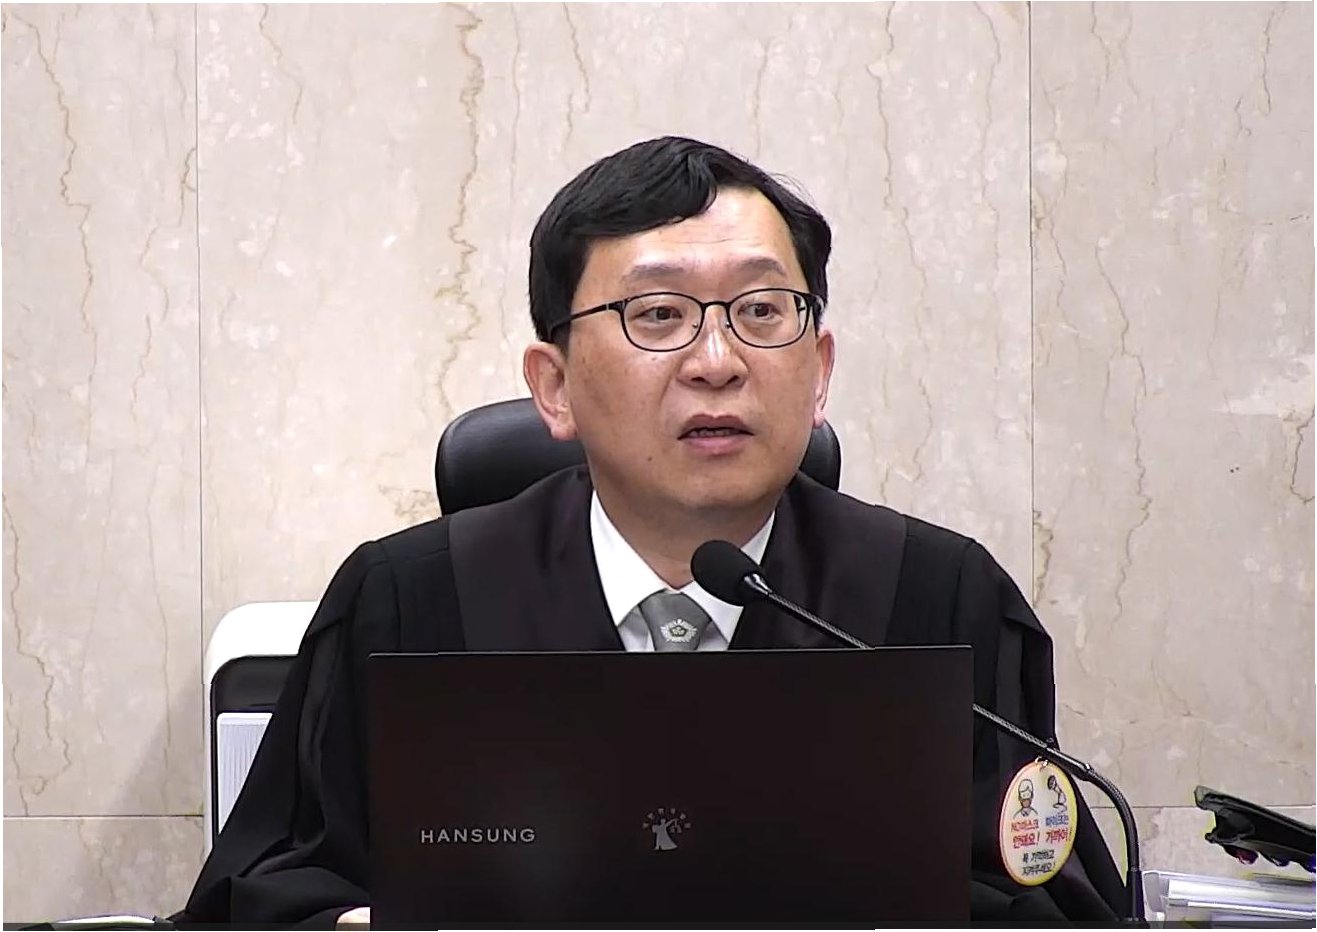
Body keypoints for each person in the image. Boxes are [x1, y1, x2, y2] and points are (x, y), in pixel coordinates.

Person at [173, 136, 1124, 927]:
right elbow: (265, 892)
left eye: (761, 311)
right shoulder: (413, 601)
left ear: (819, 370)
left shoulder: (936, 598)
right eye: (658, 315)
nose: (717, 361)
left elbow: (1048, 896)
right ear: (553, 385)